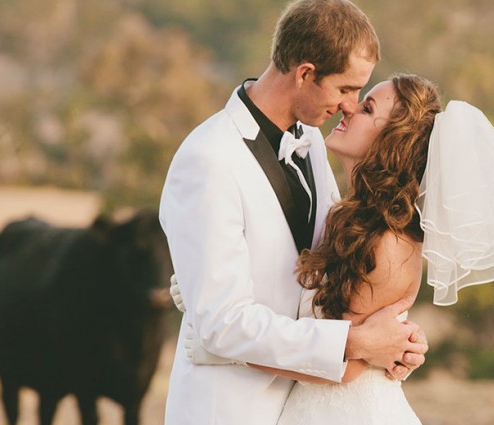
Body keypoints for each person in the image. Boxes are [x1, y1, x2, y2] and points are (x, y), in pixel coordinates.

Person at [172, 73, 494, 424]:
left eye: (366, 109)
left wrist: (216, 341)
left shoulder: (387, 246)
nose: (349, 108)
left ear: (391, 141)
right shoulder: (353, 216)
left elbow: (347, 366)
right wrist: (206, 282)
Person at [158, 1, 427, 425]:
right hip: (230, 410)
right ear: (304, 73)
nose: (351, 106)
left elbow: (320, 270)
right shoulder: (208, 159)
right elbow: (223, 323)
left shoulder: (312, 142)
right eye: (345, 89)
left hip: (308, 403)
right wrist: (354, 343)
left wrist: (397, 340)